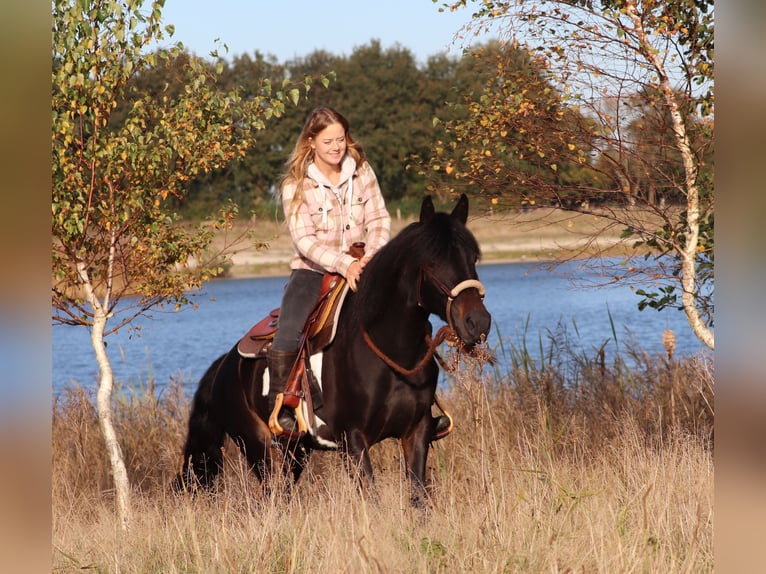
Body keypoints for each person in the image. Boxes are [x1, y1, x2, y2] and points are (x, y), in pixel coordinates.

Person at [269, 105, 448, 439]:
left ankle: (425, 405)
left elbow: (379, 219)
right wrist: (343, 264)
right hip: (315, 271)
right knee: (290, 328)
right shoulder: (295, 184)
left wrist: (372, 260)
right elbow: (303, 239)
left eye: (341, 138)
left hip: (368, 265)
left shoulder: (361, 171)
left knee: (411, 315)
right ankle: (283, 407)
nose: (337, 147)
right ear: (311, 142)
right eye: (328, 141)